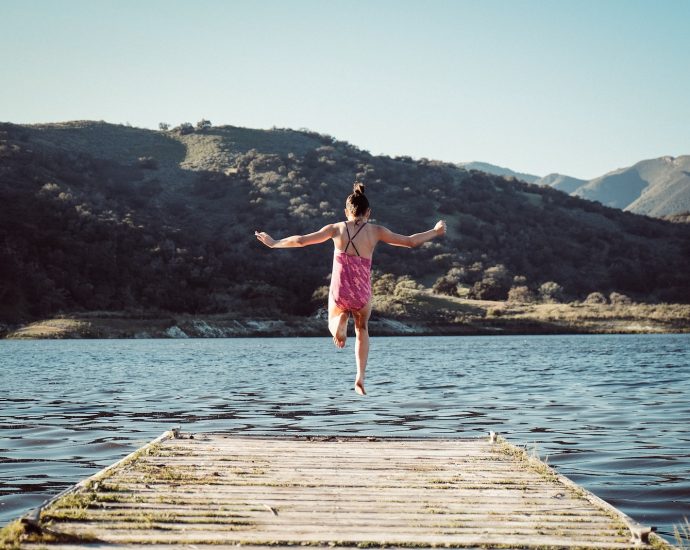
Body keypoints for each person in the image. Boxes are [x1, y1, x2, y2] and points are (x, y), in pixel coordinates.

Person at [255, 183, 446, 396]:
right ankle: (360, 377)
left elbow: (300, 241)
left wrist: (274, 242)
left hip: (340, 290)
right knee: (362, 329)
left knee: (333, 319)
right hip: (362, 292)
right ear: (369, 212)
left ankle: (339, 321)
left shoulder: (336, 229)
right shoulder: (376, 231)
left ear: (346, 211)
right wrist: (436, 231)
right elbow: (410, 242)